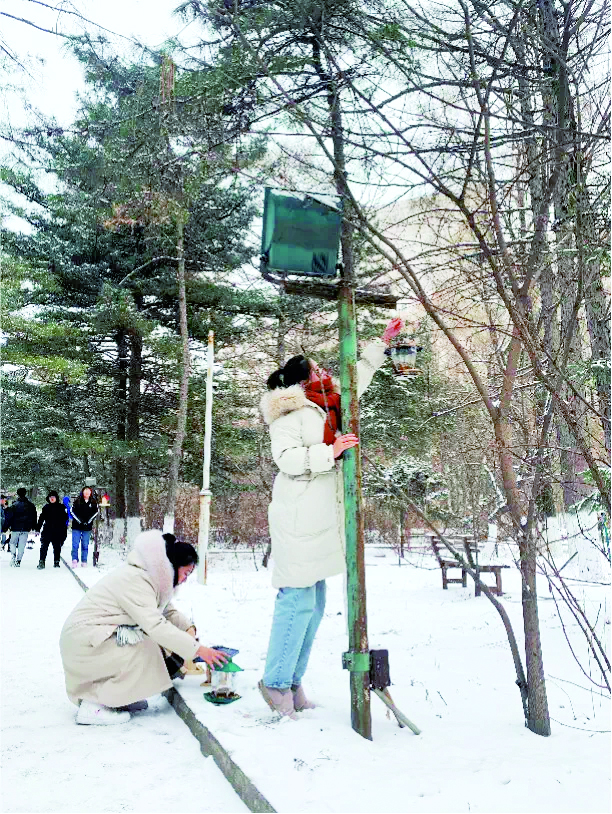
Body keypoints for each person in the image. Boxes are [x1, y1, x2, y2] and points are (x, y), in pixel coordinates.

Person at [258, 317, 404, 719]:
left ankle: (291, 681)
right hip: (298, 516)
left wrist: (383, 342)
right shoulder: (289, 416)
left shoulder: (331, 404)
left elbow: (361, 375)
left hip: (320, 519)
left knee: (316, 603)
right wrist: (331, 451)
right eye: (317, 371)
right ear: (301, 383)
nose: (325, 373)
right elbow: (286, 460)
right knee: (297, 600)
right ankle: (274, 682)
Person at [60, 529, 228, 725]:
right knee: (145, 648)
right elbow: (156, 625)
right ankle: (95, 704)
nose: (185, 579)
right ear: (173, 566)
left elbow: (167, 612)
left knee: (147, 647)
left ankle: (117, 699)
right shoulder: (137, 579)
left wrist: (188, 628)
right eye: (186, 573)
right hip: (84, 641)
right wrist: (198, 650)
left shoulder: (153, 578)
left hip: (94, 638)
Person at [2, 487, 37, 567]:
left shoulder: (14, 505)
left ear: (18, 494)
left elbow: (9, 518)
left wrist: (5, 527)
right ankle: (19, 560)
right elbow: (34, 517)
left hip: (15, 528)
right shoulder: (31, 505)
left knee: (12, 542)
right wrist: (35, 527)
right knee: (22, 545)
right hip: (25, 528)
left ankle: (13, 554)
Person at [36, 491, 69, 569]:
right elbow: (41, 518)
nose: (52, 499)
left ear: (56, 498)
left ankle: (56, 561)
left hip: (58, 530)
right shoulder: (46, 507)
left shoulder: (61, 507)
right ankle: (42, 561)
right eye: (50, 497)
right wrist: (37, 528)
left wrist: (64, 531)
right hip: (47, 530)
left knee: (57, 546)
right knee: (44, 546)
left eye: (53, 497)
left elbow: (65, 519)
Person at [70, 486, 98, 567]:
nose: (86, 493)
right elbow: (72, 512)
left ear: (90, 493)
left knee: (85, 544)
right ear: (82, 492)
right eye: (85, 491)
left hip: (87, 527)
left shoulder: (93, 502)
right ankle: (74, 559)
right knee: (75, 544)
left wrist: (88, 521)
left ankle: (84, 560)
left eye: (88, 491)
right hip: (77, 527)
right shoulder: (77, 501)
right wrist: (79, 521)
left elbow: (96, 512)